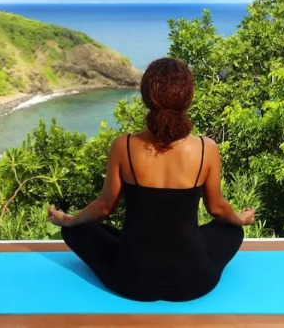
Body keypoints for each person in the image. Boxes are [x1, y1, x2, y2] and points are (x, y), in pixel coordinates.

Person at [47, 57, 255, 302]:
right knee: (231, 230)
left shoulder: (123, 145)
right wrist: (240, 219)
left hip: (132, 280)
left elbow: (104, 207)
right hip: (192, 281)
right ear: (188, 98)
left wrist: (69, 220)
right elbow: (218, 209)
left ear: (146, 97)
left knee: (78, 231)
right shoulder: (205, 148)